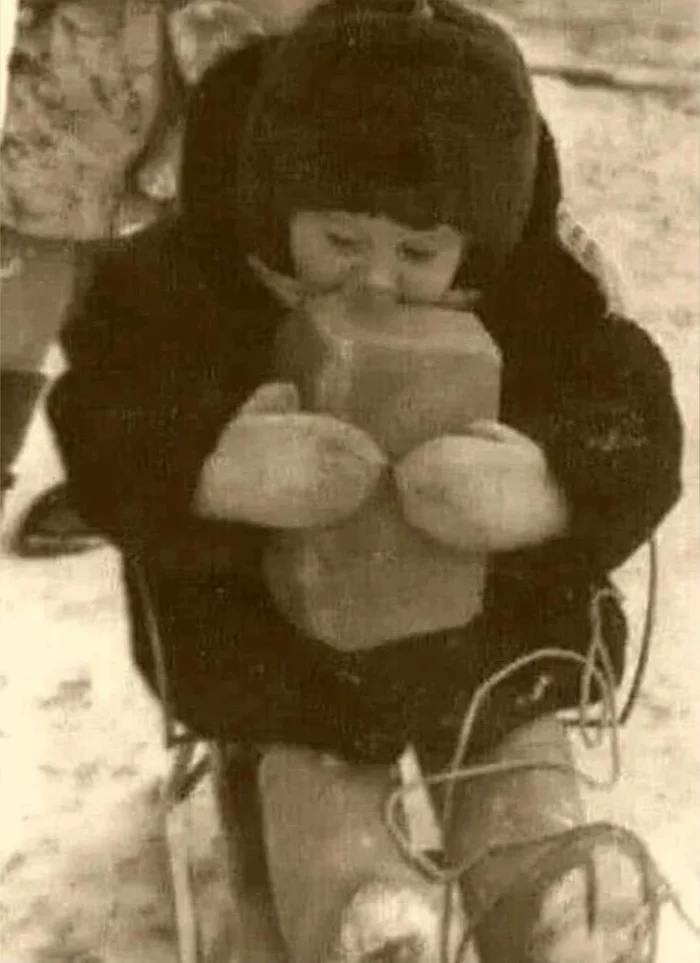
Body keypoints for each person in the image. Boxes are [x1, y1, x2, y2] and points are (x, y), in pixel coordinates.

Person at [46, 0, 683, 956]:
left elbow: (634, 416)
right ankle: (356, 907)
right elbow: (104, 415)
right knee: (308, 751)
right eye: (340, 242)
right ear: (277, 200)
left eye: (418, 253)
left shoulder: (530, 283)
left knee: (509, 732)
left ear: (476, 239)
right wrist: (211, 469)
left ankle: (551, 894)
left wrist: (551, 485)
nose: (374, 280)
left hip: (490, 629)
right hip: (272, 631)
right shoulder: (191, 273)